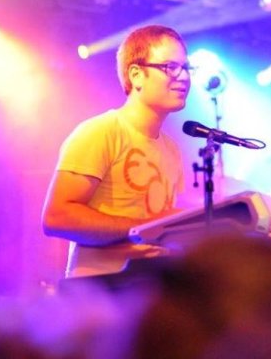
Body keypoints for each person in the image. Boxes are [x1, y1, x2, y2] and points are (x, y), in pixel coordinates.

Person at [42, 25, 193, 278]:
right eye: (170, 67)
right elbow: (56, 217)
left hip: (146, 290)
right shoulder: (101, 131)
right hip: (98, 291)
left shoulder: (172, 148)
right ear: (136, 75)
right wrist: (146, 227)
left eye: (187, 67)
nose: (184, 76)